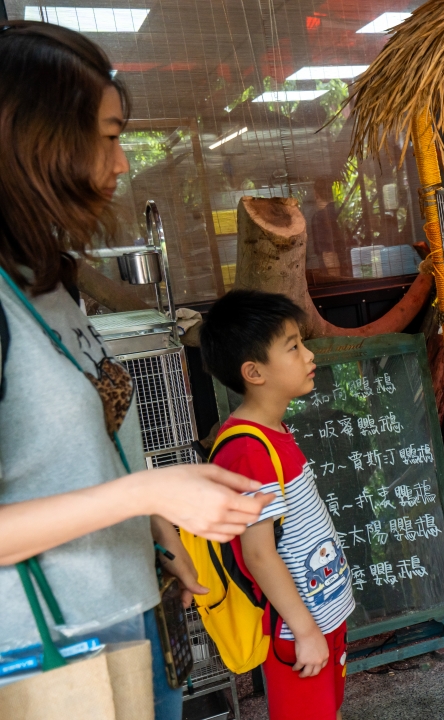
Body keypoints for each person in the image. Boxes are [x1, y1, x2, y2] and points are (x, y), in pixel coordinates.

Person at [0, 20, 274, 720]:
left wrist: (157, 533)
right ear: (37, 139)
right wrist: (151, 492)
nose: (122, 164)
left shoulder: (42, 281)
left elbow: (80, 455)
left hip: (124, 612)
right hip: (43, 651)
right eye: (113, 135)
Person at [200, 290, 355, 720]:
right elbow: (258, 552)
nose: (308, 355)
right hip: (294, 627)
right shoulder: (249, 450)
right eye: (293, 347)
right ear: (254, 372)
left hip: (319, 615)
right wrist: (304, 630)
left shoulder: (274, 432)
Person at [309, 178, 349, 275]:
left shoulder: (320, 217)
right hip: (348, 267)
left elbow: (329, 253)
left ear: (316, 195)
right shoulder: (341, 210)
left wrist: (336, 280)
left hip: (336, 274)